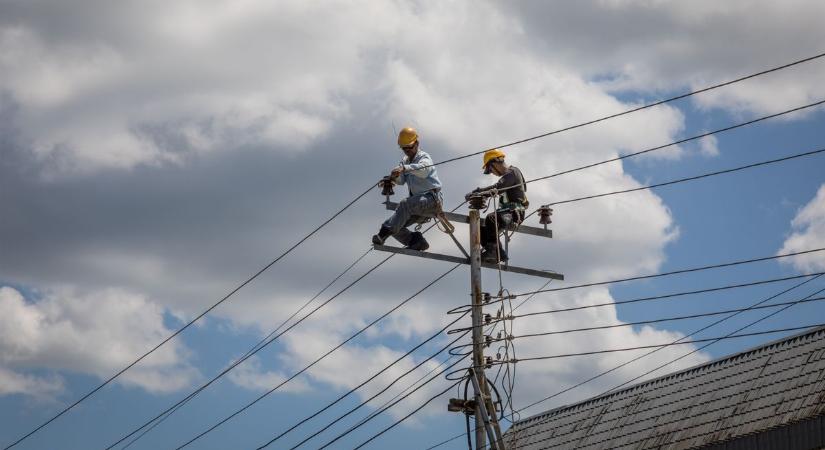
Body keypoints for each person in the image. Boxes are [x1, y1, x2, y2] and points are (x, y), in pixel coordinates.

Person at [372, 127, 443, 251]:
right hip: (417, 205)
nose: (407, 151)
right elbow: (401, 180)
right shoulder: (405, 161)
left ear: (417, 143)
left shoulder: (424, 157)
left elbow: (424, 171)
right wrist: (393, 178)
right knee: (395, 222)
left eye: (409, 147)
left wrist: (405, 168)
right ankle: (415, 241)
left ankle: (383, 233)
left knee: (404, 204)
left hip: (432, 200)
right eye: (404, 148)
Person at [468, 149, 528, 263]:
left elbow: (498, 187)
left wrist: (480, 192)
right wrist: (480, 193)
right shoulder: (508, 176)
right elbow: (498, 187)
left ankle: (493, 252)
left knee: (491, 218)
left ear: (495, 162)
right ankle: (499, 253)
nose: (491, 172)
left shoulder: (513, 172)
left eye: (490, 169)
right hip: (506, 212)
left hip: (515, 213)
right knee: (481, 229)